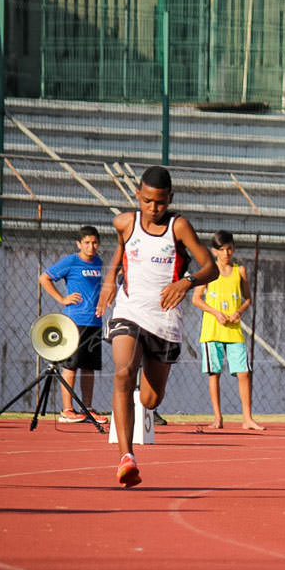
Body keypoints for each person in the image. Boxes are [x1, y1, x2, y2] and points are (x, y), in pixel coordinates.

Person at [96, 166, 217, 487]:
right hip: (130, 310)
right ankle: (126, 457)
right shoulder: (124, 222)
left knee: (150, 399)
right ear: (138, 195)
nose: (153, 209)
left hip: (164, 319)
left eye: (160, 203)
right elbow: (122, 250)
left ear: (170, 199)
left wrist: (186, 282)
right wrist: (109, 281)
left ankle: (140, 403)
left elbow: (210, 267)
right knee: (122, 371)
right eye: (148, 201)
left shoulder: (179, 227)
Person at [192, 230, 264, 431]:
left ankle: (247, 418)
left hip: (234, 331)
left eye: (229, 248)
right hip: (212, 330)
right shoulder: (208, 270)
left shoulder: (240, 271)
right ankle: (217, 418)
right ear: (214, 251)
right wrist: (215, 313)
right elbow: (196, 299)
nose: (226, 253)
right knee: (214, 373)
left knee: (243, 373)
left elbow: (247, 299)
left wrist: (239, 311)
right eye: (222, 250)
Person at [38, 225, 108, 425]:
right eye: (86, 242)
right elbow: (44, 278)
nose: (91, 246)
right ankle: (67, 410)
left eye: (94, 242)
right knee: (71, 364)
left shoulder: (99, 263)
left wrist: (102, 302)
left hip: (94, 321)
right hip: (75, 321)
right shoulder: (71, 261)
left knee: (89, 367)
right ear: (79, 244)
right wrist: (62, 299)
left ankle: (87, 408)